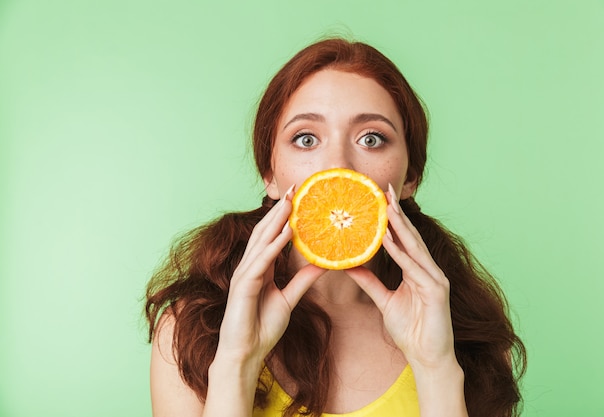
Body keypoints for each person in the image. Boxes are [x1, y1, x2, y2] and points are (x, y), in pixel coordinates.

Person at [145, 38, 526, 417]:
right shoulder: (192, 329)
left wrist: (437, 367)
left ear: (410, 177)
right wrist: (237, 361)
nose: (339, 166)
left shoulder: (476, 339)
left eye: (371, 139)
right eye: (306, 139)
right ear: (270, 174)